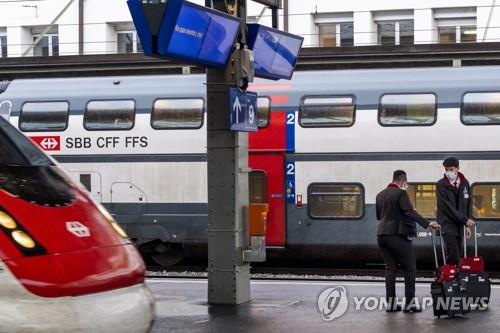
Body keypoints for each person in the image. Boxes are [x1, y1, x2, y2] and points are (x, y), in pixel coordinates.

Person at [376, 170, 440, 313]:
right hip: (397, 235)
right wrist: (427, 223)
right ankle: (409, 304)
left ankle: (391, 305)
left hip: (381, 235)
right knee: (410, 269)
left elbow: (379, 215)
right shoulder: (401, 193)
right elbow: (409, 212)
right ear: (403, 181)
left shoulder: (380, 194)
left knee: (390, 268)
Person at [436, 157, 475, 266]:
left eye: (451, 169)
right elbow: (446, 207)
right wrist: (465, 220)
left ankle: (453, 278)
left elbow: (467, 204)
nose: (449, 172)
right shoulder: (441, 185)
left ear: (458, 168)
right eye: (446, 169)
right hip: (447, 224)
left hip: (460, 225)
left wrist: (467, 224)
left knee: (457, 252)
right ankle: (451, 278)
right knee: (453, 254)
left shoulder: (465, 183)